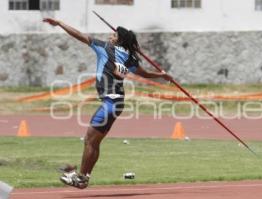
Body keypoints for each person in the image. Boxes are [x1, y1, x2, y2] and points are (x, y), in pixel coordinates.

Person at [43, 18, 172, 189]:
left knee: (89, 140)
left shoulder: (105, 48)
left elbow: (79, 35)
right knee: (94, 142)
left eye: (114, 34)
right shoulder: (130, 59)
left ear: (118, 39)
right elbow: (144, 74)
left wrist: (59, 23)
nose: (110, 36)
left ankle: (82, 178)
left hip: (110, 102)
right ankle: (84, 177)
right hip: (117, 103)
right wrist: (161, 75)